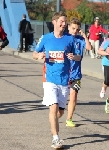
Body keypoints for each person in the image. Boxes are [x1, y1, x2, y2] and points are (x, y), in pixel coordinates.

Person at [33, 11, 81, 149]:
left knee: (59, 112)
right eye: (61, 21)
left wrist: (74, 57)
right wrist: (39, 55)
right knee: (53, 108)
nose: (64, 24)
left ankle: (53, 119)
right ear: (54, 22)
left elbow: (79, 57)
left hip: (64, 80)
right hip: (49, 79)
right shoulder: (46, 38)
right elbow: (34, 54)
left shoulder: (70, 39)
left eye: (65, 22)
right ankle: (56, 138)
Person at [66, 18, 92, 127]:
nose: (75, 31)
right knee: (62, 97)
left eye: (77, 29)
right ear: (68, 27)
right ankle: (60, 111)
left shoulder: (80, 39)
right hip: (64, 73)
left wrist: (85, 36)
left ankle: (69, 119)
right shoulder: (64, 38)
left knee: (73, 96)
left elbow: (89, 47)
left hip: (76, 74)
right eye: (73, 28)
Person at [98, 28, 109, 99]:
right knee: (108, 80)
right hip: (107, 63)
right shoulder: (107, 41)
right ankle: (103, 89)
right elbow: (100, 51)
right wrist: (108, 54)